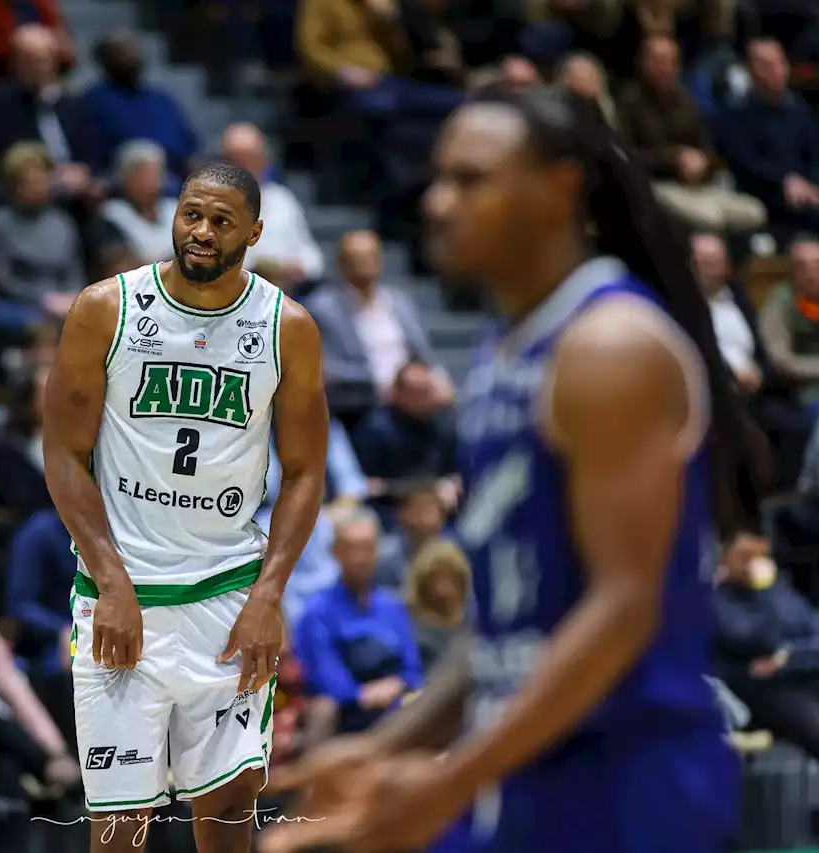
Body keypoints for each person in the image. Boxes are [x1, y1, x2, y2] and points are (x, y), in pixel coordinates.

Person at [264, 88, 768, 853]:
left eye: (473, 180)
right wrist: (391, 744)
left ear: (560, 186)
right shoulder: (504, 351)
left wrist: (447, 778)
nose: (437, 202)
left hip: (627, 785)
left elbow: (623, 607)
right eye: (440, 178)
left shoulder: (609, 345)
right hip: (529, 771)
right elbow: (509, 629)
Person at [43, 160, 329, 853]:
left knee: (230, 809)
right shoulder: (105, 309)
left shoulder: (286, 326)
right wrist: (110, 579)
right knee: (118, 830)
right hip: (122, 597)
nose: (201, 232)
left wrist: (269, 595)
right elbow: (63, 455)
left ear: (255, 232)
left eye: (222, 221)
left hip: (228, 596)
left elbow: (305, 470)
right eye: (191, 214)